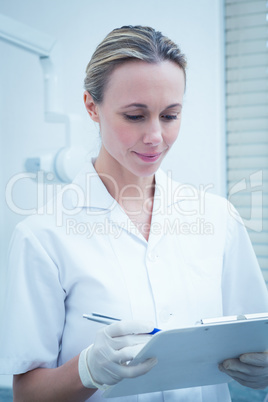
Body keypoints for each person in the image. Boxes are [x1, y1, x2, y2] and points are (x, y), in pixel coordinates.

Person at [0, 25, 268, 402]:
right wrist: (86, 370)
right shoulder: (43, 236)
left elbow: (255, 336)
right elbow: (27, 395)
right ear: (92, 107)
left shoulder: (217, 219)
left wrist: (262, 371)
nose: (156, 136)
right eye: (135, 116)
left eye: (170, 116)